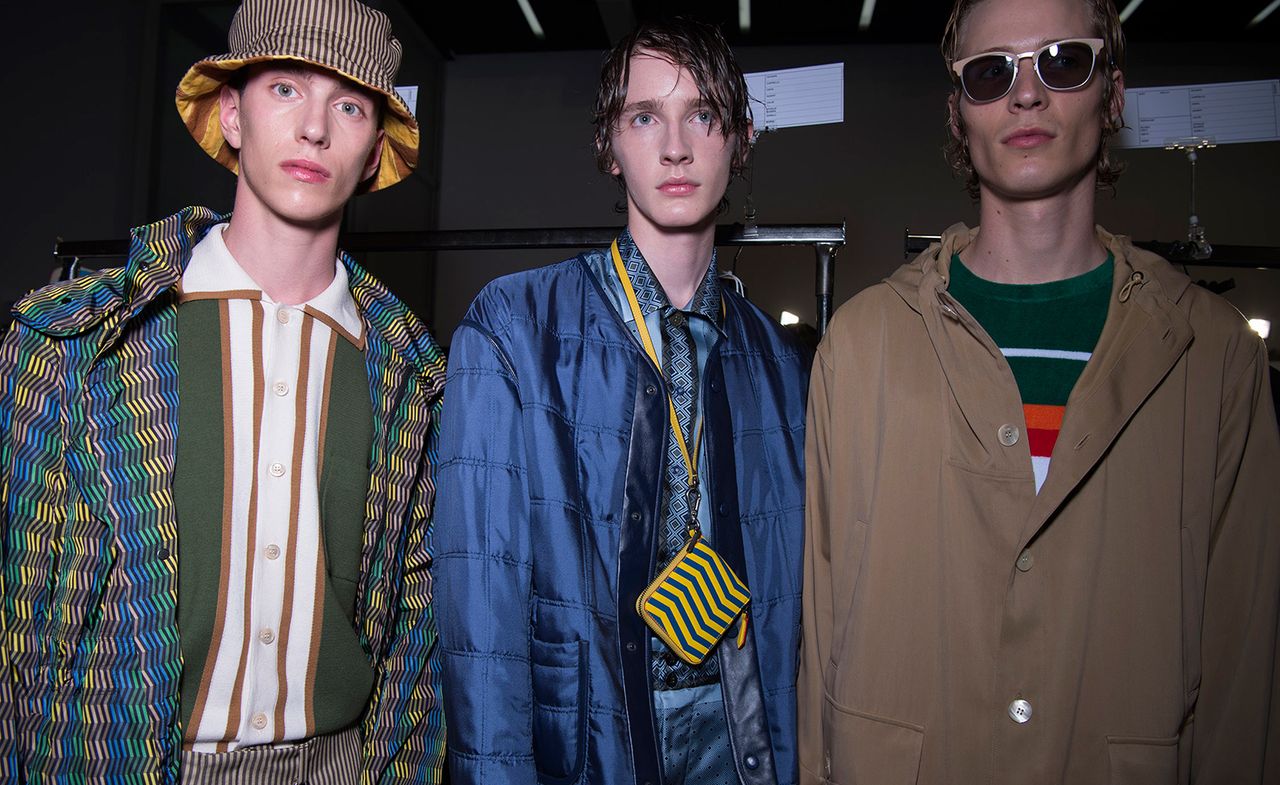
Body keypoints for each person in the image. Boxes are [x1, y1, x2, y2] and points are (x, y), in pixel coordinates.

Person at [798, 0, 1280, 781]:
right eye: (991, 74)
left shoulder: (1213, 358)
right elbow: (821, 641)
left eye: (1062, 61)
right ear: (957, 114)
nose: (1026, 95)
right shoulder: (862, 348)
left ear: (1112, 93)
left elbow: (1242, 683)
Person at [0, 0, 447, 781]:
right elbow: (18, 613)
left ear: (375, 147)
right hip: (124, 758)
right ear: (232, 116)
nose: (315, 128)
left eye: (348, 105)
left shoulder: (413, 379)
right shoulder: (75, 345)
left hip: (341, 763)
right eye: (284, 89)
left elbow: (417, 627)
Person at [435, 17, 809, 785]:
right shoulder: (513, 328)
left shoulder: (775, 362)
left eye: (701, 115)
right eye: (645, 117)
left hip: (741, 745)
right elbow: (481, 622)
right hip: (588, 750)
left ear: (740, 138)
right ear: (610, 144)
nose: (675, 146)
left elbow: (795, 618)